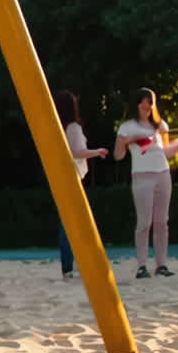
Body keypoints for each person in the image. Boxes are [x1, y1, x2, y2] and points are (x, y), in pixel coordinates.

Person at [114, 88, 178, 279]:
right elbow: (118, 155)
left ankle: (161, 265)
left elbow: (168, 151)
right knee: (144, 223)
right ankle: (142, 266)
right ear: (137, 104)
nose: (147, 106)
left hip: (162, 174)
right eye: (144, 102)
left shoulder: (160, 125)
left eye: (150, 102)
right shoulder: (127, 127)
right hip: (141, 176)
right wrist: (127, 141)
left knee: (162, 222)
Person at [53, 90, 108, 280]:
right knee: (73, 224)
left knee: (67, 224)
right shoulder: (73, 127)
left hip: (61, 177)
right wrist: (97, 151)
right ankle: (72, 267)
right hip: (72, 178)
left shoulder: (56, 127)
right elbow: (77, 152)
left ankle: (68, 267)